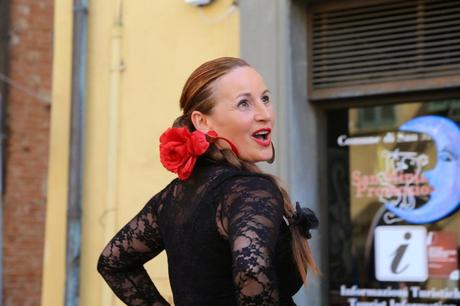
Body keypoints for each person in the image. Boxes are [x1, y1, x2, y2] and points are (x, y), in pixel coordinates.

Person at [97, 57, 319, 306]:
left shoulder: (172, 197)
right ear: (202, 122)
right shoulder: (250, 191)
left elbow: (113, 263)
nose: (265, 114)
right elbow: (251, 269)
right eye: (244, 103)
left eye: (265, 98)